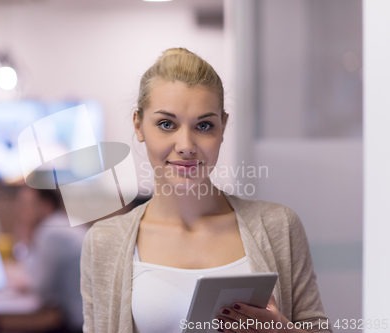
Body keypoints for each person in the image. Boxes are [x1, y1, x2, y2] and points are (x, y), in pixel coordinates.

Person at [80, 48, 331, 333]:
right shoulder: (103, 242)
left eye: (204, 125)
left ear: (222, 127)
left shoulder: (278, 225)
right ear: (138, 125)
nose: (186, 145)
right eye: (166, 124)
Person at [17, 186, 87, 333]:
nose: (21, 212)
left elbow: (41, 289)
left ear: (46, 206)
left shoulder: (50, 231)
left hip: (78, 322)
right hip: (89, 317)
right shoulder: (63, 223)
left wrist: (27, 239)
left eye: (27, 205)